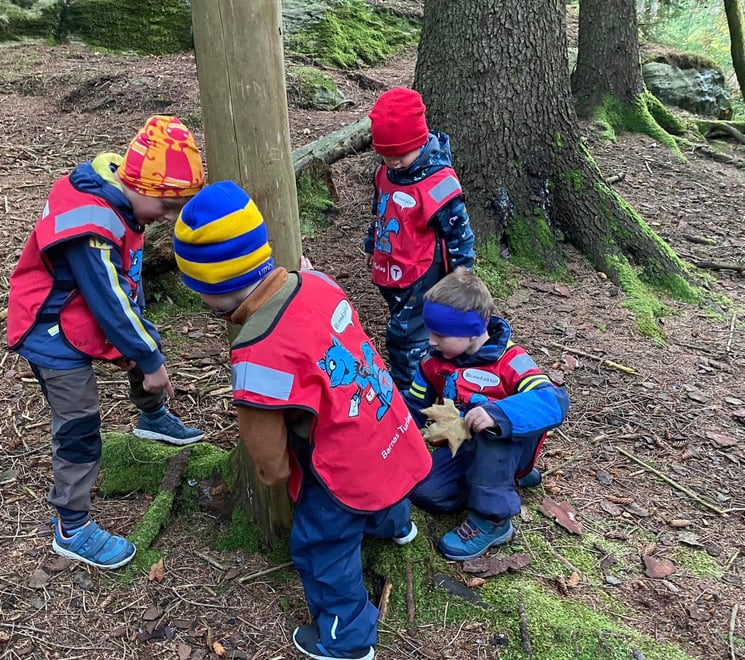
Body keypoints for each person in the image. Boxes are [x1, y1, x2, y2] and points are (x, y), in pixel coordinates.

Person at [173, 180, 432, 660]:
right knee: (383, 473)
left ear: (212, 290)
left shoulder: (256, 352)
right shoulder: (315, 283)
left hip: (345, 461)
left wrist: (281, 477)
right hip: (387, 421)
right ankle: (395, 525)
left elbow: (268, 456)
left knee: (320, 543)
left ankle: (346, 637)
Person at [6, 116, 206, 569]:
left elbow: (116, 302)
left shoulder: (121, 194)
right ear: (139, 184)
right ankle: (72, 526)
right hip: (52, 328)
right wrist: (150, 358)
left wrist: (145, 351)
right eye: (166, 205)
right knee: (78, 421)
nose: (168, 218)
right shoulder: (93, 224)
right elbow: (108, 301)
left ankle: (152, 417)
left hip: (89, 311)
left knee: (141, 345)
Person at [404, 270, 570, 561]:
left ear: (471, 330)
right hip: (463, 450)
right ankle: (497, 484)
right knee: (425, 491)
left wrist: (498, 413)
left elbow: (553, 401)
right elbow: (413, 406)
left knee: (490, 430)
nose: (431, 341)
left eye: (440, 334)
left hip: (506, 447)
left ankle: (493, 520)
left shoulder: (509, 361)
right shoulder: (433, 363)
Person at [365, 86, 476, 392]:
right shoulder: (384, 174)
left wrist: (461, 274)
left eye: (401, 154)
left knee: (405, 337)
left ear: (419, 141)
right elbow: (380, 212)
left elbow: (458, 232)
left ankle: (411, 394)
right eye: (386, 155)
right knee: (406, 324)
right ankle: (436, 375)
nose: (394, 161)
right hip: (391, 267)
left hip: (422, 272)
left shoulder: (438, 183)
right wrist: (372, 245)